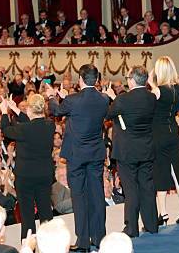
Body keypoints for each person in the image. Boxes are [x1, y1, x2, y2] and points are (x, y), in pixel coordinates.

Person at [47, 64, 109, 252]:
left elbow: (57, 111)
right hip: (96, 153)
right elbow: (82, 108)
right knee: (97, 195)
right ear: (97, 80)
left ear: (80, 79)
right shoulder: (104, 99)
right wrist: (67, 99)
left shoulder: (73, 100)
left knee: (79, 197)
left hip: (76, 156)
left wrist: (51, 96)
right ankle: (99, 238)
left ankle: (83, 241)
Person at [106, 65, 158, 238]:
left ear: (133, 80)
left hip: (127, 151)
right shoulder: (151, 98)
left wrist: (112, 98)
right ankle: (151, 225)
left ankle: (131, 228)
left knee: (131, 189)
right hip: (146, 148)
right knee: (147, 186)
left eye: (128, 78)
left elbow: (109, 114)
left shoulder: (122, 99)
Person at [1, 93, 55, 238]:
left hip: (26, 177)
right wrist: (15, 109)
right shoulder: (50, 125)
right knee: (45, 212)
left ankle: (28, 247)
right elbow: (32, 123)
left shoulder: (23, 129)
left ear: (30, 109)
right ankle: (50, 245)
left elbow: (6, 130)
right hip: (44, 174)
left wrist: (4, 112)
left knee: (27, 216)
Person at [148, 56, 179, 226]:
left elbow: (150, 84)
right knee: (176, 171)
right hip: (173, 133)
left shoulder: (157, 91)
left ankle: (163, 213)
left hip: (158, 134)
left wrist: (151, 80)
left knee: (160, 172)